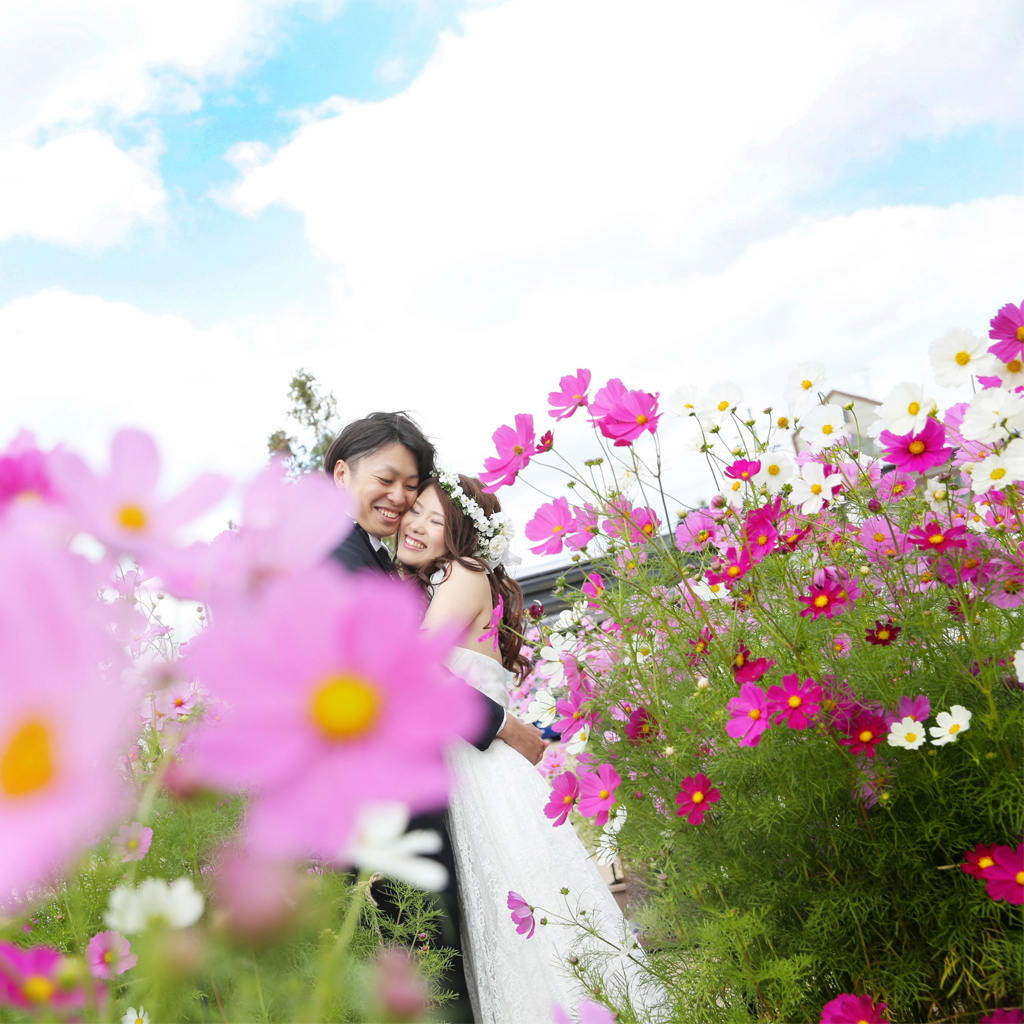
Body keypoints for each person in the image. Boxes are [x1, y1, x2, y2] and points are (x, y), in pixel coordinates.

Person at [397, 472, 664, 1024]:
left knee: (533, 931)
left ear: (462, 534)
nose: (416, 525)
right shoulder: (444, 583)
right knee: (514, 932)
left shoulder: (463, 574)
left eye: (435, 519)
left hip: (484, 778)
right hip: (477, 773)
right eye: (414, 510)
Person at [323, 412, 545, 1023]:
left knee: (444, 965)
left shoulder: (390, 563)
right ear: (342, 473)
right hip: (379, 802)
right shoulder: (333, 557)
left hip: (420, 793)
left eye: (413, 489)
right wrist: (502, 724)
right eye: (387, 481)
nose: (400, 501)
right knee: (426, 977)